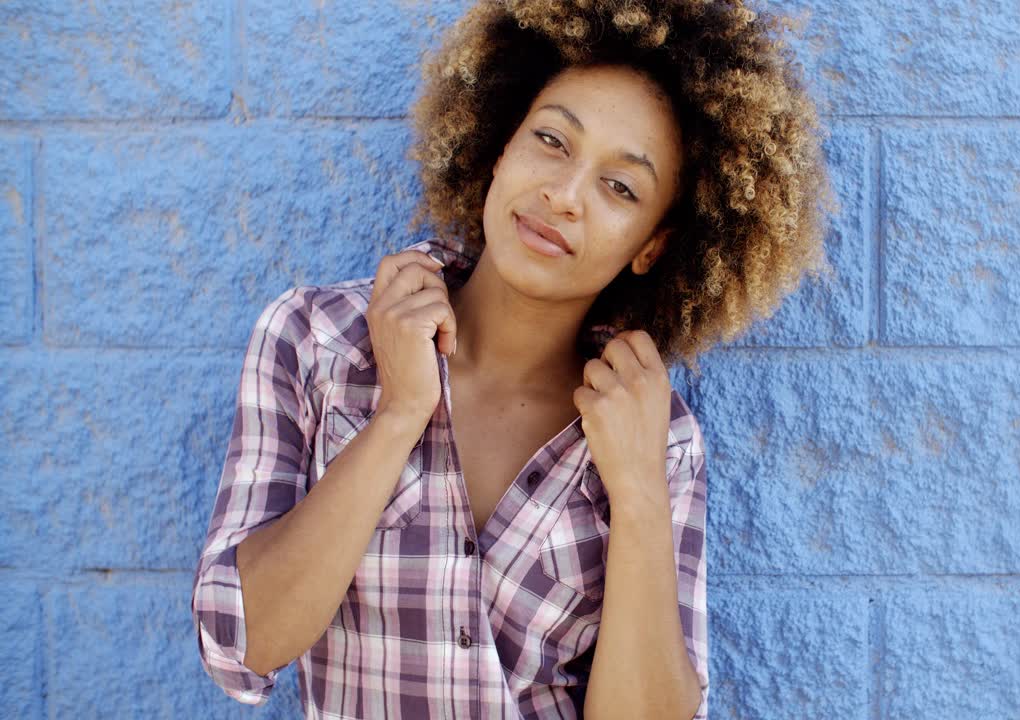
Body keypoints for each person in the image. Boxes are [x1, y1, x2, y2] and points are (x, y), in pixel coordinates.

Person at [190, 0, 834, 717]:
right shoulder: (316, 339)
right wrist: (401, 412)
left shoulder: (655, 434)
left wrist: (640, 493)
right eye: (552, 142)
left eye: (621, 187)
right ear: (502, 148)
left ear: (652, 243)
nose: (563, 196)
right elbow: (240, 646)